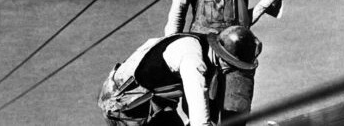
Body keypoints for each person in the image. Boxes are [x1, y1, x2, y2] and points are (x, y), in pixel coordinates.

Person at [98, 26, 262, 126]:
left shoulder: (205, 45)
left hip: (148, 103)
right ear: (226, 60)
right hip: (124, 109)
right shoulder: (193, 62)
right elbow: (199, 113)